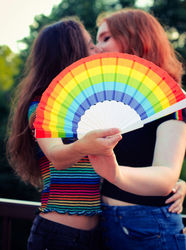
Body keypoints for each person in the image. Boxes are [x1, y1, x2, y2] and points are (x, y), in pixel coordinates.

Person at [6, 18, 122, 250]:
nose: (97, 50)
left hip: (99, 234)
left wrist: (174, 184)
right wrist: (86, 145)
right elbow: (57, 156)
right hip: (58, 236)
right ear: (71, 54)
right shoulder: (40, 107)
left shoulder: (94, 105)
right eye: (90, 45)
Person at [88, 8, 186, 250]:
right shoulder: (110, 99)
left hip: (148, 228)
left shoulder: (171, 98)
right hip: (105, 223)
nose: (97, 47)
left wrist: (115, 173)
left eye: (106, 38)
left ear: (136, 38)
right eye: (96, 39)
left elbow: (165, 176)